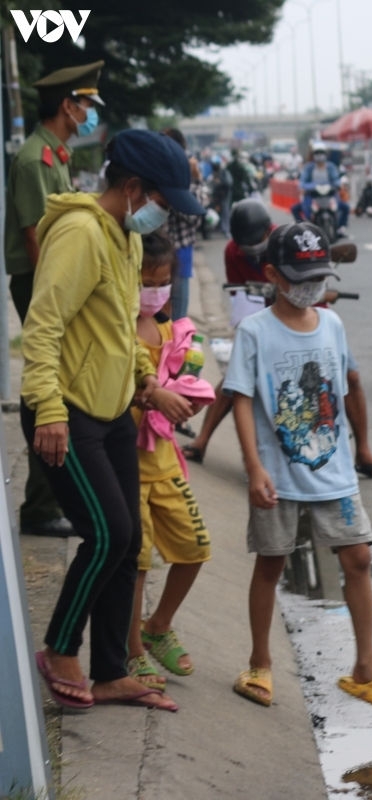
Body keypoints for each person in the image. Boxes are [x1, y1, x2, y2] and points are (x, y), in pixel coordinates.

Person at [21, 128, 206, 712]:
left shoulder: (124, 235)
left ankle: (109, 671)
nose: (164, 215)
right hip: (67, 413)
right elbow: (43, 326)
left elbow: (119, 335)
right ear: (132, 188)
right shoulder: (79, 233)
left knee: (128, 549)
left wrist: (148, 387)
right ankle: (59, 647)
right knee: (107, 534)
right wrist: (48, 409)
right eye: (162, 201)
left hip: (115, 409)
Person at [223, 221, 372, 712]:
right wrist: (254, 468)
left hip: (335, 473)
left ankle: (366, 669)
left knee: (359, 561)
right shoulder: (254, 331)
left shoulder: (332, 324)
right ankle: (259, 663)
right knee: (271, 563)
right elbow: (241, 400)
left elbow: (342, 390)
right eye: (299, 277)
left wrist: (360, 450)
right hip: (277, 477)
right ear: (272, 274)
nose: (311, 288)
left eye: (318, 278)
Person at [182, 199, 372, 480]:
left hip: (312, 314)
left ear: (267, 232)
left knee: (350, 377)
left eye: (256, 244)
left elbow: (316, 283)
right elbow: (242, 299)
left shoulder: (293, 242)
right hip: (267, 317)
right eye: (246, 246)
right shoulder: (234, 252)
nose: (251, 252)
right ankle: (201, 441)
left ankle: (363, 451)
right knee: (235, 378)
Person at [4, 60, 106, 538]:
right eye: (85, 104)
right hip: (40, 282)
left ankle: (48, 500)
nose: (88, 113)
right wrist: (60, 296)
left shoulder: (57, 155)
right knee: (51, 387)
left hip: (52, 282)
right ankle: (41, 506)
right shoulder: (33, 159)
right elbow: (35, 239)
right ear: (67, 106)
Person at [124, 232, 216, 691]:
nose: (154, 291)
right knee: (137, 563)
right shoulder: (119, 333)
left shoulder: (172, 333)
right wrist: (154, 395)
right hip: (128, 467)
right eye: (146, 282)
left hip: (165, 464)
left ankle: (157, 625)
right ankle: (132, 650)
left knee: (195, 548)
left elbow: (186, 385)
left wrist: (186, 399)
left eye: (162, 282)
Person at [160, 128, 204, 321]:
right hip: (154, 250)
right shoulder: (154, 170)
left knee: (178, 311)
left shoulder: (188, 173)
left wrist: (175, 196)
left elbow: (196, 217)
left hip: (180, 249)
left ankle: (177, 347)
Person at [291, 143, 349, 237]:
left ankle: (340, 228)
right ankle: (303, 229)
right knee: (295, 209)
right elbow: (302, 182)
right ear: (313, 155)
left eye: (321, 153)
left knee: (345, 207)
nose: (319, 155)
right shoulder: (309, 168)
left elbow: (336, 180)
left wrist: (338, 185)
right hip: (313, 195)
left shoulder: (331, 167)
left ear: (325, 154)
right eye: (317, 153)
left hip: (329, 195)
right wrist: (309, 187)